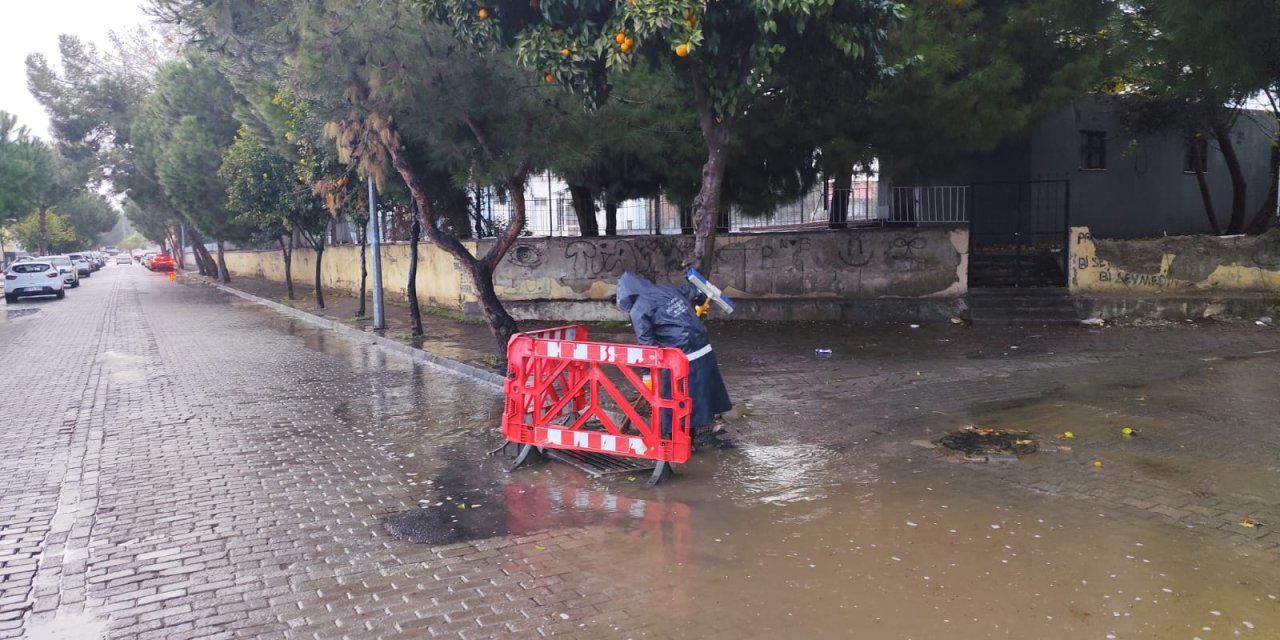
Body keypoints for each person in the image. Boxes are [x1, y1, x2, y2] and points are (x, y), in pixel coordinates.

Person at [615, 271, 733, 448]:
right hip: (702, 344)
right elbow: (695, 292)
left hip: (681, 356)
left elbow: (646, 345)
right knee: (699, 394)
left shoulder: (639, 309)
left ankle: (676, 443)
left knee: (674, 400)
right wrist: (701, 304)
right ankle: (694, 435)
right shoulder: (668, 289)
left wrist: (647, 375)